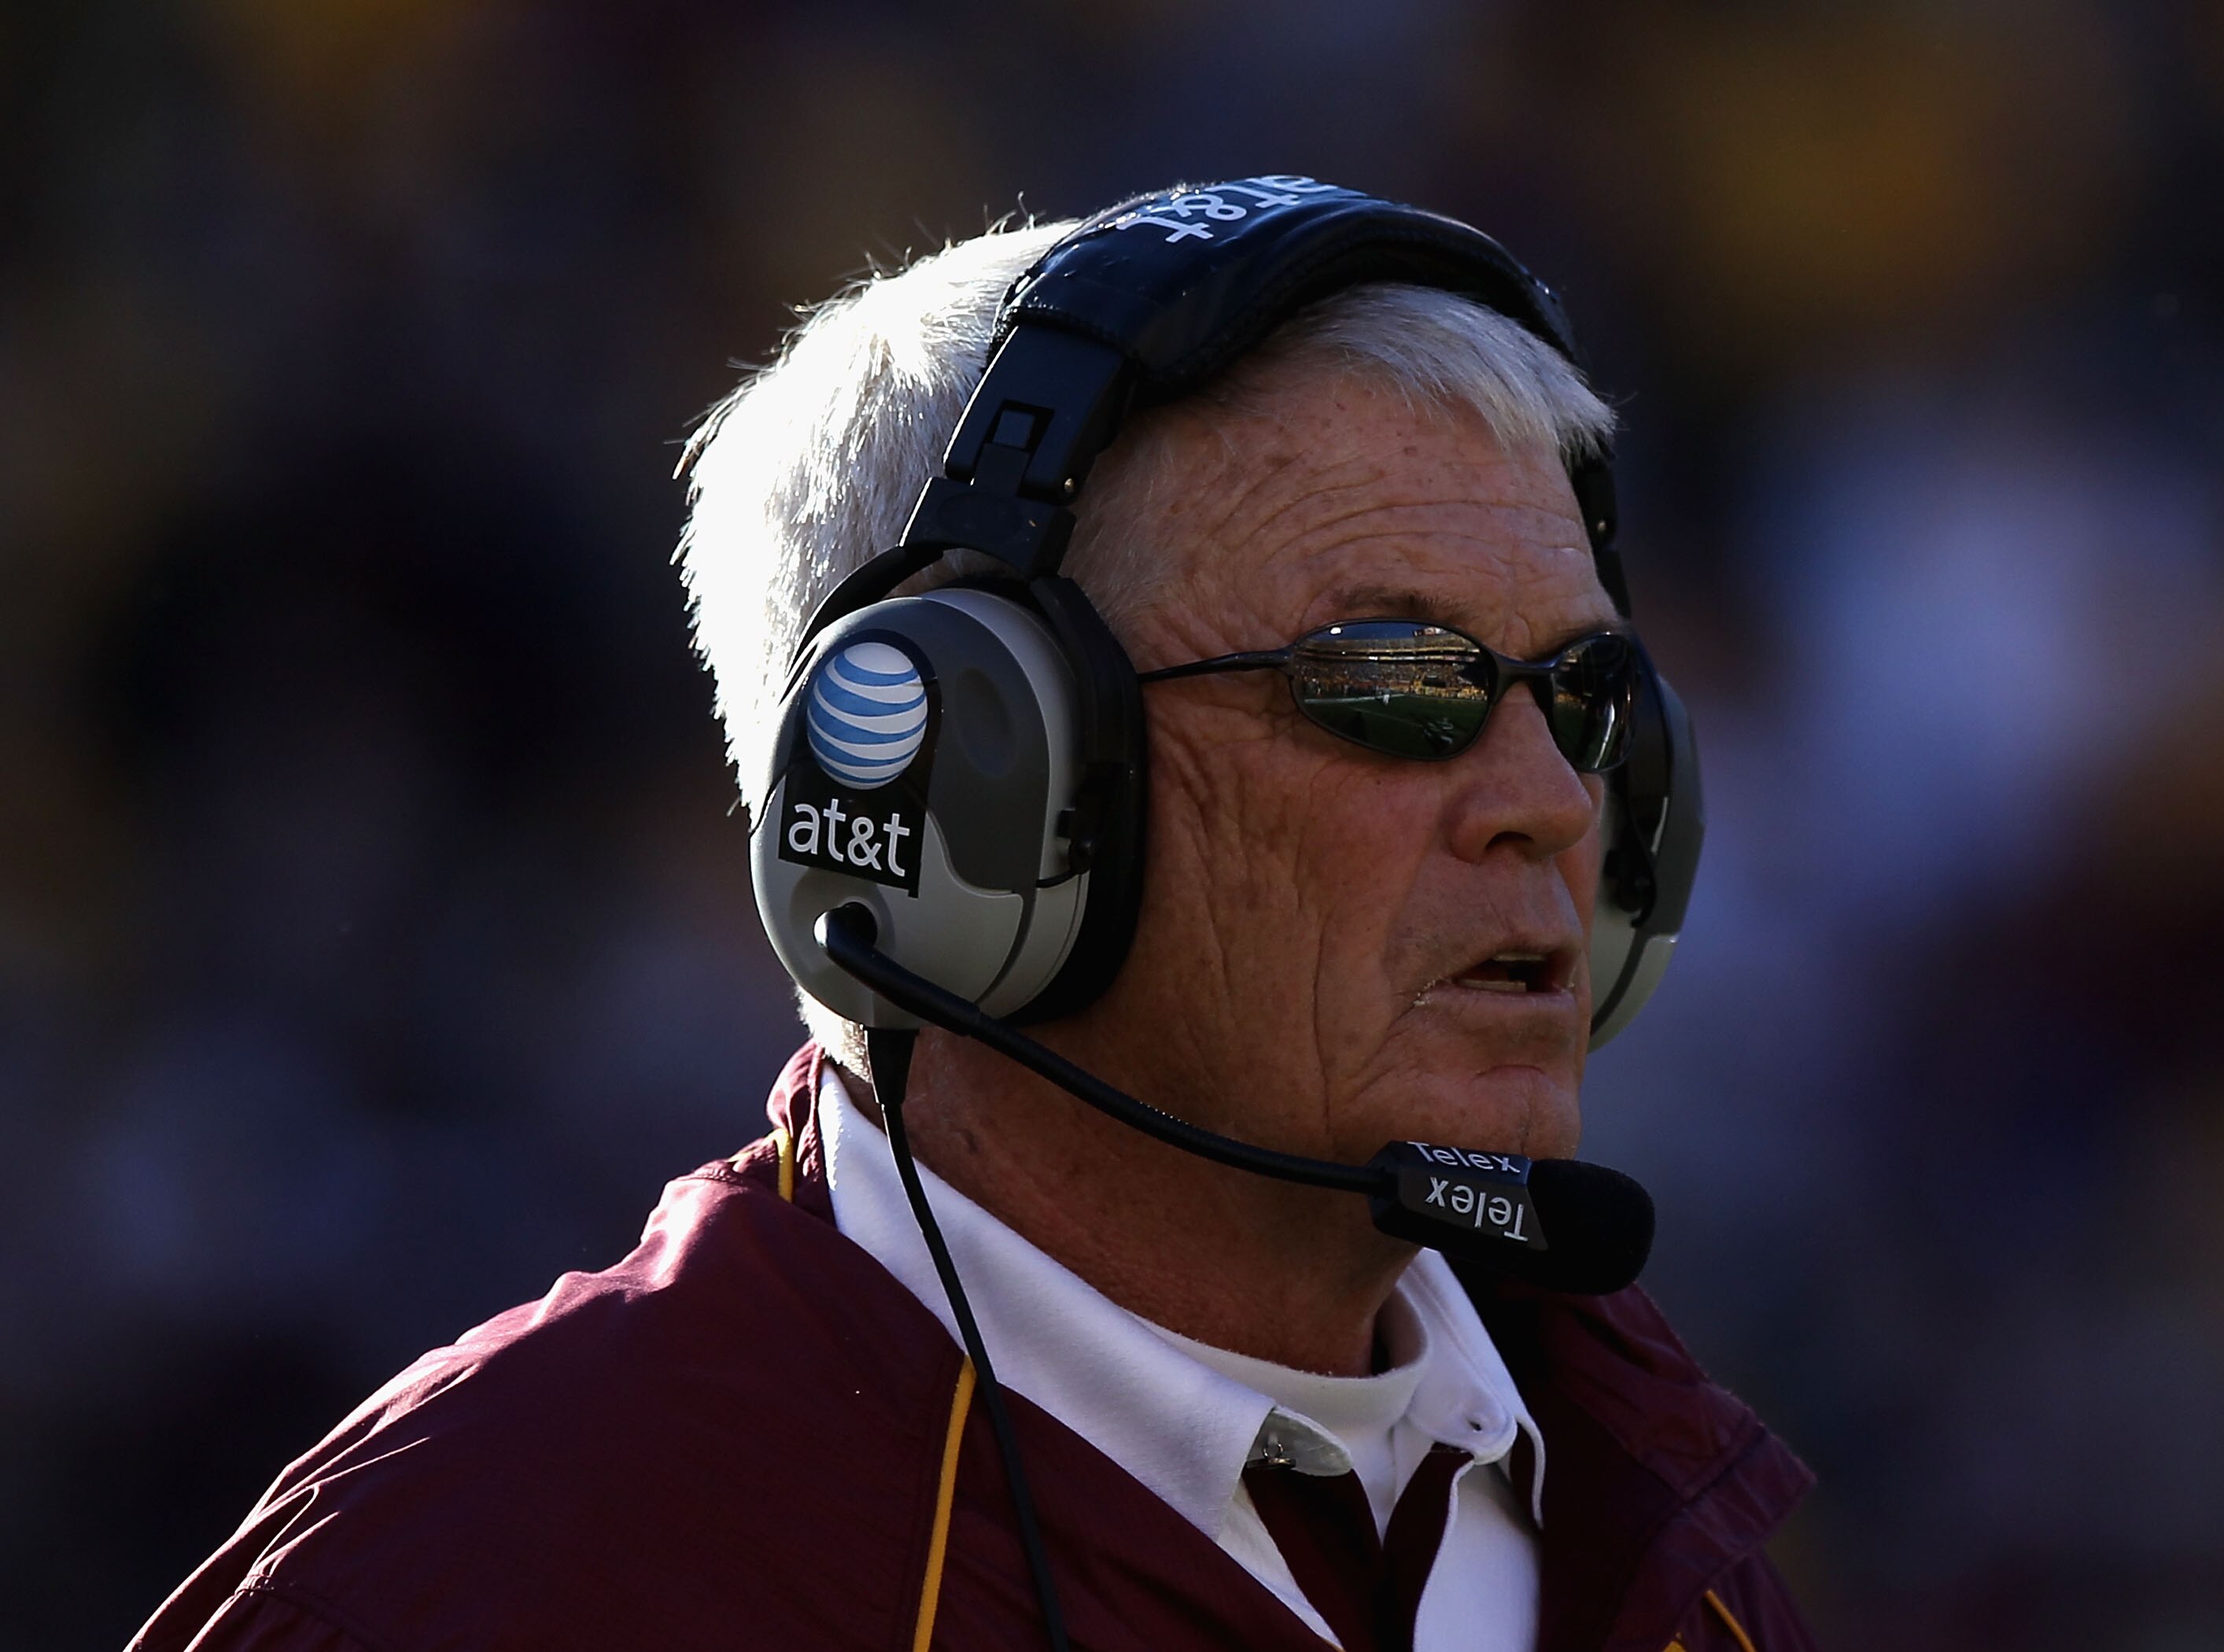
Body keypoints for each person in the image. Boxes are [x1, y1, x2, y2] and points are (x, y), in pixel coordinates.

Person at [131, 183, 1815, 1652]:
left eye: (1589, 698)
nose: (1556, 803)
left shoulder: (1664, 1534)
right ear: (965, 794)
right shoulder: (491, 1583)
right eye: (1393, 677)